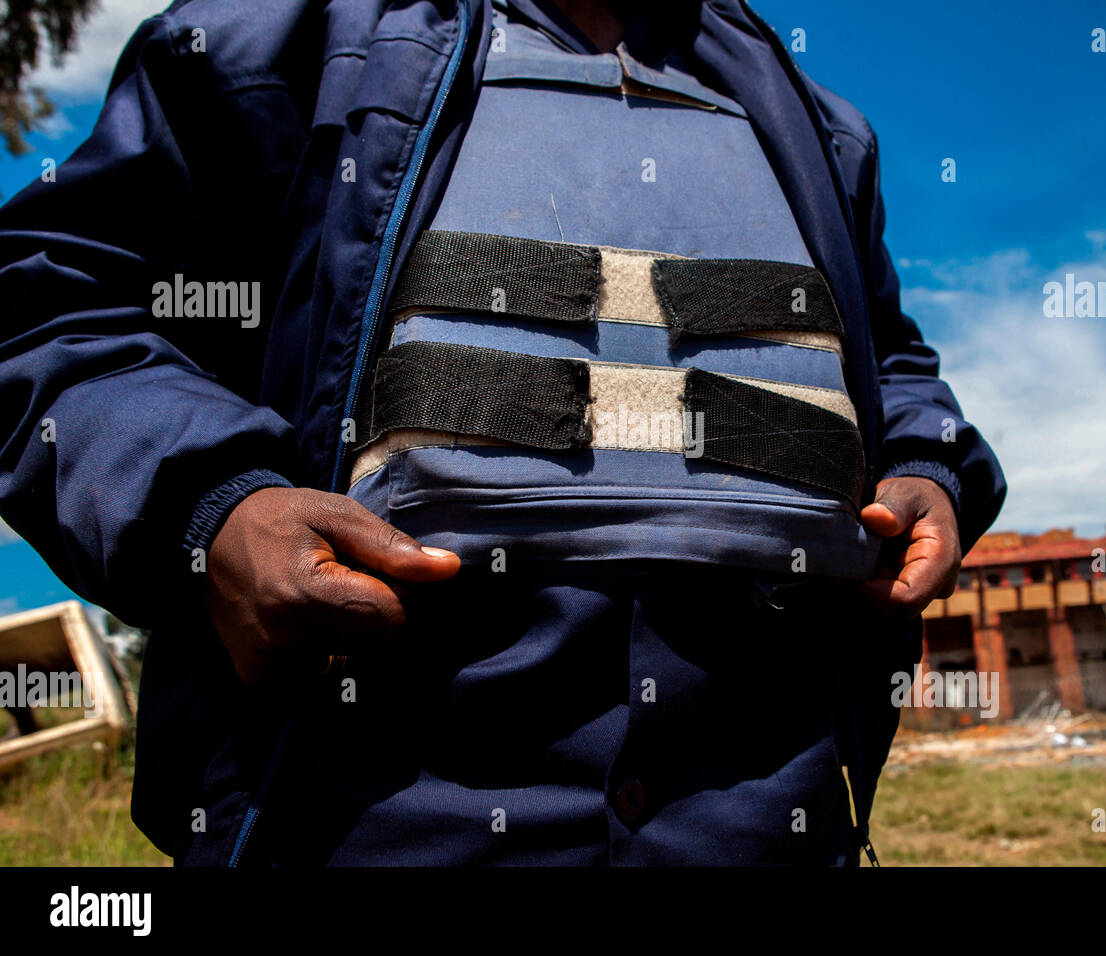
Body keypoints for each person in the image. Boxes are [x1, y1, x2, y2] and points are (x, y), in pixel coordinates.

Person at [0, 0, 1005, 865]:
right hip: (368, 801)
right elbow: (40, 306)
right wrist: (209, 507)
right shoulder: (283, 48)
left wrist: (928, 463)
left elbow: (891, 362)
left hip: (764, 806)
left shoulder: (816, 129)